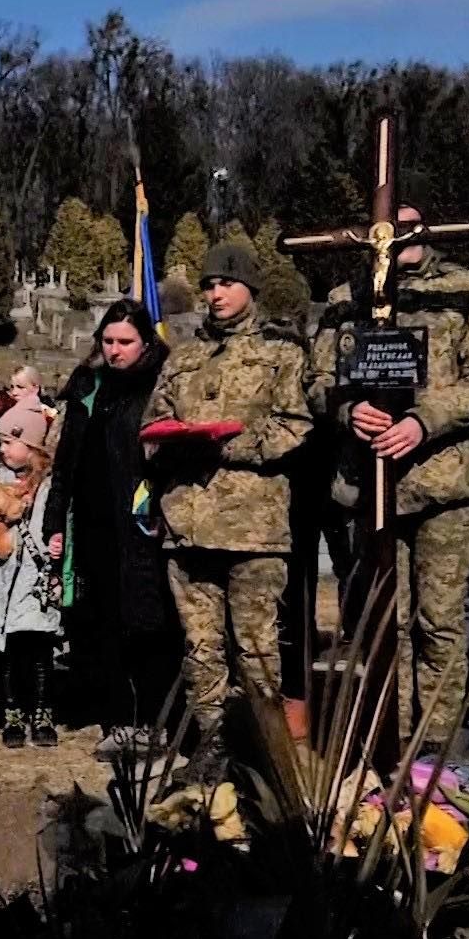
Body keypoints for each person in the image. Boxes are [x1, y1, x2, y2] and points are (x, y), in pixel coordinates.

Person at [309, 203, 469, 746]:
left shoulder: (464, 292)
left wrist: (424, 421)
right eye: (386, 226)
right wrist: (349, 411)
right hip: (371, 487)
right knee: (381, 623)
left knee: (439, 622)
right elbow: (317, 379)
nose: (395, 237)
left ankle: (437, 743)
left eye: (407, 225)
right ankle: (386, 735)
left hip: (442, 482)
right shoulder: (345, 300)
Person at [145, 240, 314, 742]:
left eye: (227, 284)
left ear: (251, 289)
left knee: (257, 648)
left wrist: (226, 446)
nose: (216, 294)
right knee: (200, 647)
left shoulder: (280, 352)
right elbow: (154, 423)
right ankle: (212, 743)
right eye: (210, 285)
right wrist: (177, 446)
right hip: (188, 524)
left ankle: (265, 751)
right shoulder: (184, 358)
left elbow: (294, 426)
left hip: (252, 528)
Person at [43, 300, 180, 732]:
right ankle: (115, 715)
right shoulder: (88, 384)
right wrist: (53, 520)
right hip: (91, 522)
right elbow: (65, 461)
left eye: (126, 342)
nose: (116, 350)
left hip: (141, 523)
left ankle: (153, 718)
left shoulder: (159, 387)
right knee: (98, 621)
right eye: (108, 341)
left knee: (147, 622)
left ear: (145, 343)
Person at [0, 399, 62, 747]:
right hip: (1, 578)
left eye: (10, 441)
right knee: (7, 651)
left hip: (34, 580)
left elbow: (56, 523)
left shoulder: (50, 487)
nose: (3, 448)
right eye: (2, 442)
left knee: (39, 648)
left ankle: (42, 711)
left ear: (33, 446)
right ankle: (13, 712)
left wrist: (57, 543)